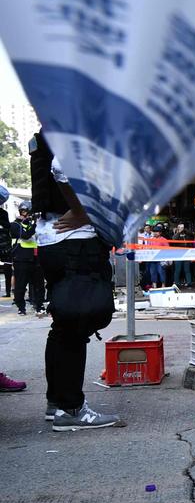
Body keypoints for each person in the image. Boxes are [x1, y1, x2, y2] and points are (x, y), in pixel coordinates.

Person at [30, 131, 120, 430]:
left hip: (54, 241)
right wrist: (83, 211)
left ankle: (58, 402)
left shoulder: (53, 126)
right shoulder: (76, 122)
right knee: (76, 325)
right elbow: (62, 167)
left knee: (64, 326)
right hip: (75, 242)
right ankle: (70, 409)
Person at [10, 200, 45, 316]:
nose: (27, 214)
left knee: (39, 285)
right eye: (25, 212)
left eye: (29, 212)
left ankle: (39, 306)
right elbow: (25, 235)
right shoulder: (15, 225)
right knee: (20, 285)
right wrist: (34, 224)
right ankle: (21, 307)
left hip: (36, 258)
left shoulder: (35, 225)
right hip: (21, 259)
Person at [171, 223, 193, 287]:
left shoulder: (187, 235)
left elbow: (192, 236)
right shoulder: (176, 235)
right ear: (178, 228)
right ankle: (177, 283)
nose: (182, 229)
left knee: (187, 269)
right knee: (178, 269)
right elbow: (174, 239)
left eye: (182, 227)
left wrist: (185, 230)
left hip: (187, 254)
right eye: (180, 227)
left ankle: (189, 283)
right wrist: (179, 232)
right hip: (178, 255)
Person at [0, 183, 12, 298]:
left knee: (8, 267)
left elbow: (7, 226)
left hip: (3, 242)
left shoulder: (3, 213)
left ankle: (8, 291)